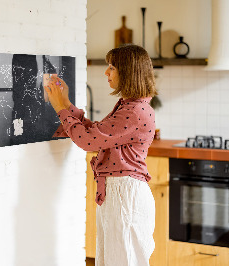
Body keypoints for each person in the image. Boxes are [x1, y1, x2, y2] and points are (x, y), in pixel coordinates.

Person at [46, 44, 157, 266]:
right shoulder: (130, 106)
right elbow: (96, 133)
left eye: (112, 67)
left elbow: (88, 141)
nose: (106, 72)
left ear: (128, 71)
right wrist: (66, 103)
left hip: (125, 195)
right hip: (120, 193)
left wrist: (60, 108)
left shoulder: (134, 111)